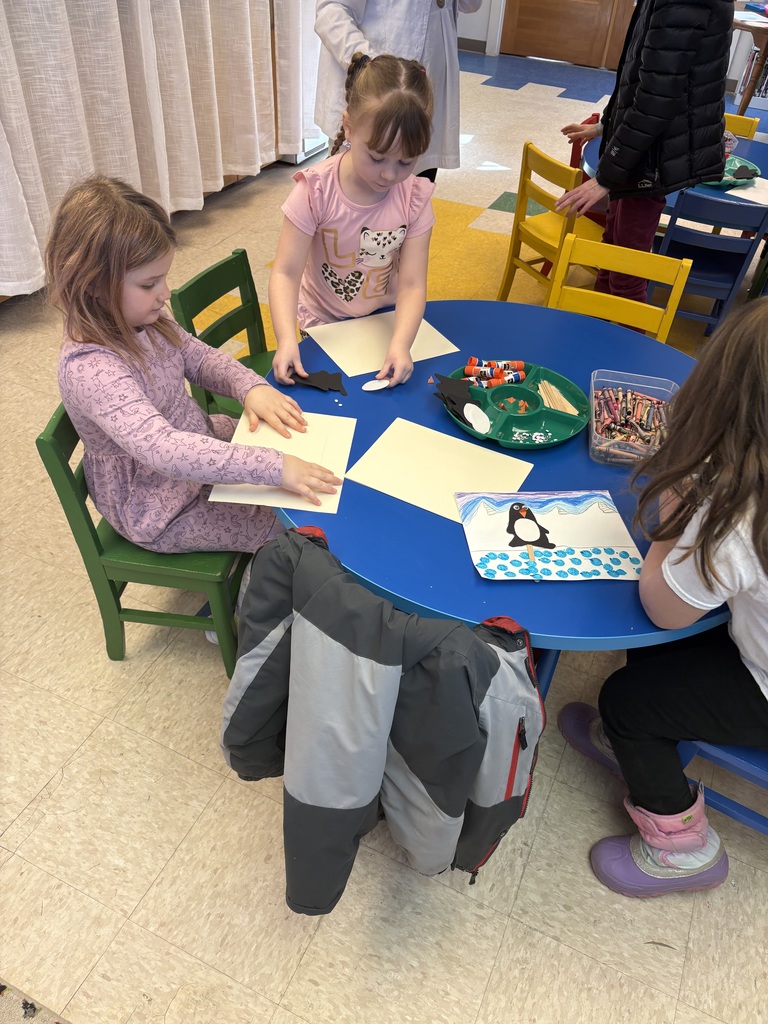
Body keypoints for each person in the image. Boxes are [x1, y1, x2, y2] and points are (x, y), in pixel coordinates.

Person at [557, 298, 768, 898]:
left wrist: (672, 522)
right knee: (668, 651)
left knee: (628, 699)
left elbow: (662, 608)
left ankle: (684, 847)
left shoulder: (738, 511)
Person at [47, 176, 342, 556]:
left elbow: (198, 357)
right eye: (150, 283)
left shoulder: (143, 318)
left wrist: (250, 387)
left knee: (309, 451)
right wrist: (275, 468)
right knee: (296, 529)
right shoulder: (90, 368)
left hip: (199, 445)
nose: (165, 293)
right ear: (93, 284)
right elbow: (164, 450)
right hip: (160, 507)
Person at [270, 53, 435, 388]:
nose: (390, 174)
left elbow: (413, 283)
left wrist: (401, 344)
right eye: (376, 157)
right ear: (348, 127)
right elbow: (285, 274)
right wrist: (286, 340)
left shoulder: (415, 196)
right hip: (322, 323)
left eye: (406, 162)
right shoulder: (314, 191)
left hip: (383, 319)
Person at [556, 0, 733, 302]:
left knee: (625, 273)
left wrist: (606, 177)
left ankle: (622, 345)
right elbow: (640, 77)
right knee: (611, 255)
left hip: (651, 157)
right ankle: (597, 332)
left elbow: (658, 97)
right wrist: (605, 126)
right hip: (642, 152)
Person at [313, 0, 482, 182]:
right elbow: (332, 9)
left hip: (429, 73)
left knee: (416, 178)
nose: (390, 175)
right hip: (372, 81)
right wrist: (367, 63)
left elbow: (470, 5)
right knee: (353, 188)